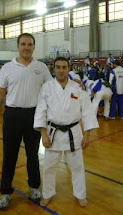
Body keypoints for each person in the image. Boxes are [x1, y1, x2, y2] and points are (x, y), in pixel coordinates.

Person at [0, 33, 52, 210]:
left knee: (33, 155)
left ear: (34, 47)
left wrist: (73, 83)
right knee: (9, 155)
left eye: (30, 44)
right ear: (18, 46)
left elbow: (52, 89)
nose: (26, 47)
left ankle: (34, 187)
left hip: (34, 116)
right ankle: (6, 192)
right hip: (12, 116)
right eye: (23, 44)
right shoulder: (7, 68)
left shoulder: (41, 67)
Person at [34, 57, 99, 207]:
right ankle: (47, 194)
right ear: (54, 69)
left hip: (74, 133)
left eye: (64, 67)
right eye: (58, 67)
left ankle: (80, 194)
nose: (61, 70)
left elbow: (87, 112)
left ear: (69, 69)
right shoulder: (47, 87)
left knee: (77, 167)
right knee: (49, 168)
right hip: (52, 133)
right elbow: (41, 112)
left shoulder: (77, 88)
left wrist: (87, 135)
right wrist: (43, 135)